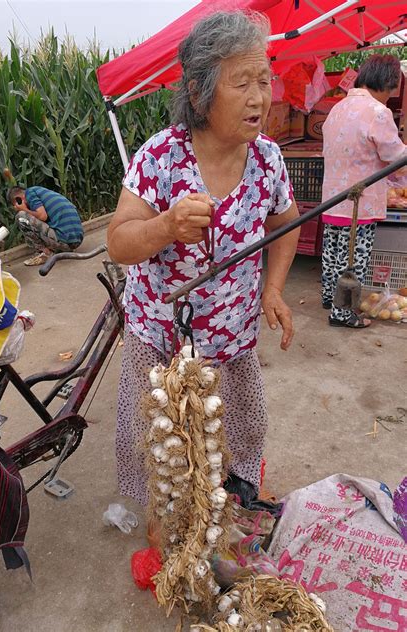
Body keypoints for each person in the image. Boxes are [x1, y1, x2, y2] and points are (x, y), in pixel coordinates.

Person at [107, 11, 300, 508]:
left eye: (264, 79)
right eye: (242, 83)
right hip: (164, 339)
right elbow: (119, 242)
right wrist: (166, 225)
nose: (260, 97)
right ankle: (164, 517)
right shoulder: (160, 158)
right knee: (163, 440)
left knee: (240, 423)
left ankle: (235, 493)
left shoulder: (267, 160)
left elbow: (287, 225)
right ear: (198, 93)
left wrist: (273, 288)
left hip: (232, 337)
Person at [321, 55, 407, 328]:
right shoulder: (378, 112)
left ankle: (329, 298)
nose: (392, 94)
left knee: (333, 253)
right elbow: (395, 156)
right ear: (387, 83)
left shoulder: (338, 108)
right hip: (360, 201)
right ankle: (343, 313)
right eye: (393, 88)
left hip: (333, 199)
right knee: (353, 259)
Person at [8, 186, 84, 266]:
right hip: (76, 241)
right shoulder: (40, 191)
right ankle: (59, 249)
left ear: (18, 199)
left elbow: (42, 216)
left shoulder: (30, 194)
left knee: (20, 216)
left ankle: (45, 253)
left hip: (65, 241)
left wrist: (23, 209)